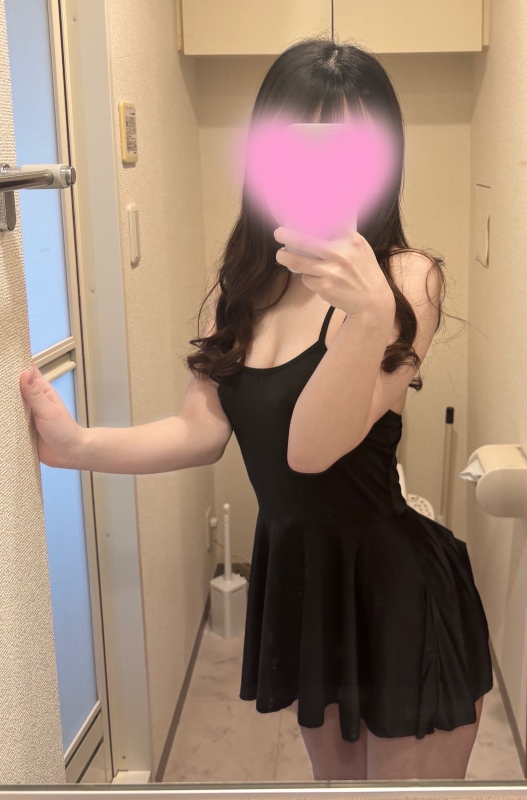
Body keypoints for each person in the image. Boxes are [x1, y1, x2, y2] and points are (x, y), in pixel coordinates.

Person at [20, 36, 493, 781]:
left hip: (395, 587)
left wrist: (368, 317)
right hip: (306, 585)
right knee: (335, 788)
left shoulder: (406, 280)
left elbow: (311, 449)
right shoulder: (240, 288)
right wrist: (74, 446)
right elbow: (200, 430)